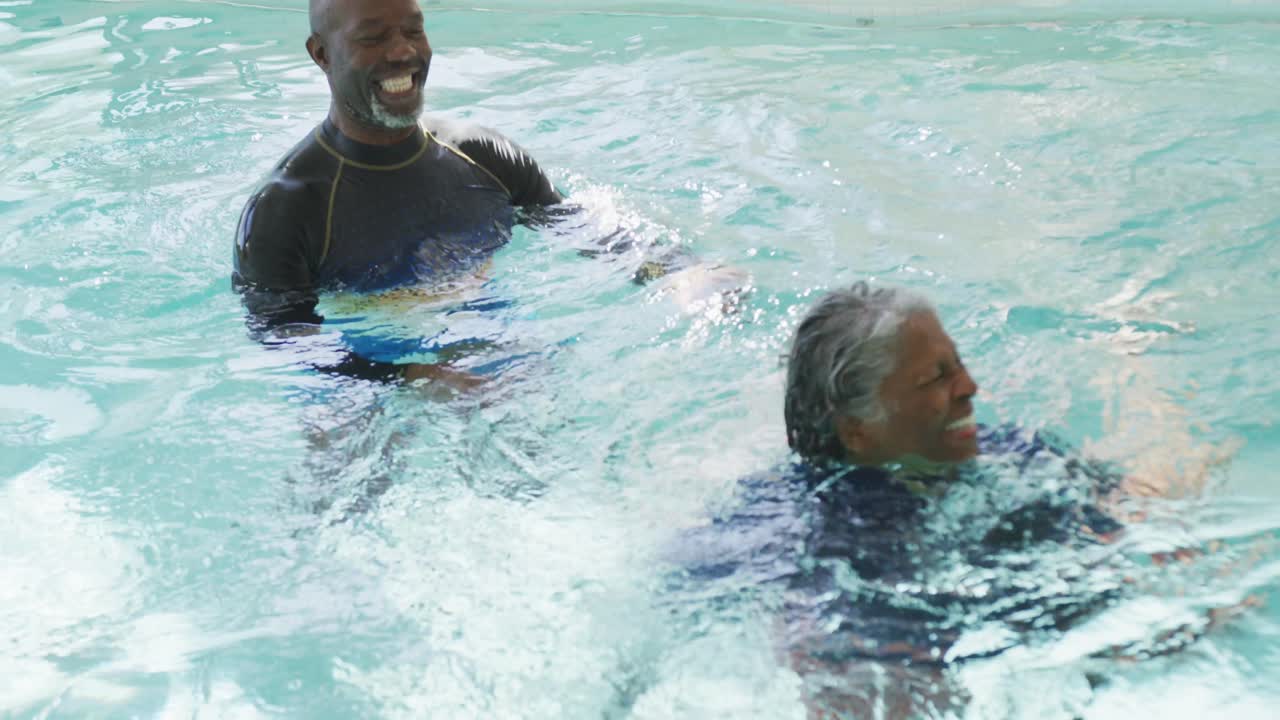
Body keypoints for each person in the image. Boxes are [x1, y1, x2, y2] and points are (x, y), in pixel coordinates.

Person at [671, 282, 1245, 718]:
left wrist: (1142, 372)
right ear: (858, 430)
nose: (970, 388)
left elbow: (1140, 505)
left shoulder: (1010, 454)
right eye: (936, 379)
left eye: (960, 365)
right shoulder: (833, 550)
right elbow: (834, 676)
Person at [232, 0, 571, 384]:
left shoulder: (485, 157)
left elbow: (582, 226)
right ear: (322, 54)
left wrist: (652, 266)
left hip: (487, 328)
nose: (403, 52)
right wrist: (413, 378)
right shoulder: (286, 210)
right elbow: (283, 335)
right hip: (360, 374)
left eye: (413, 31)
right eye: (373, 37)